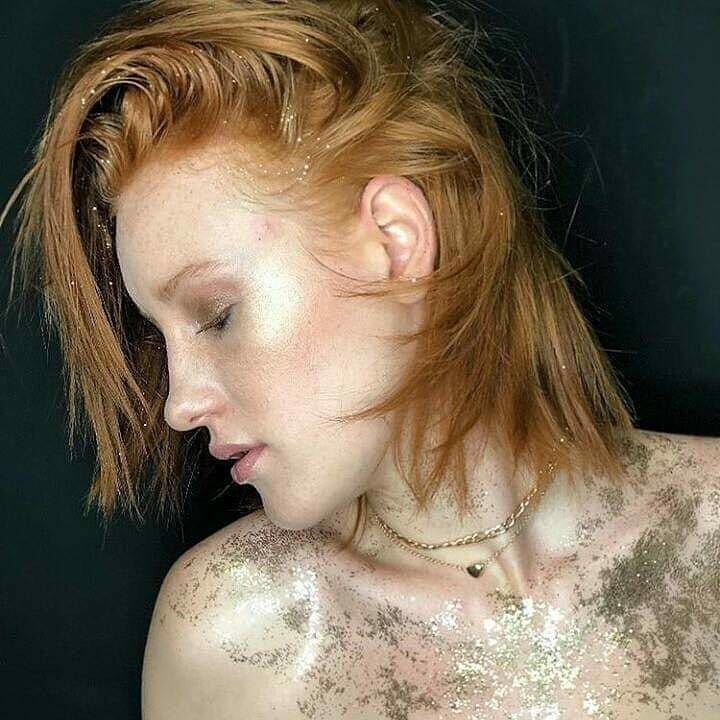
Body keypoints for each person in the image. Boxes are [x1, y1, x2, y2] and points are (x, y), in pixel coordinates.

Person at [2, 0, 718, 717]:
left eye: (217, 315)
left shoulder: (705, 531)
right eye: (161, 338)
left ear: (394, 243)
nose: (179, 405)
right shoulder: (240, 641)